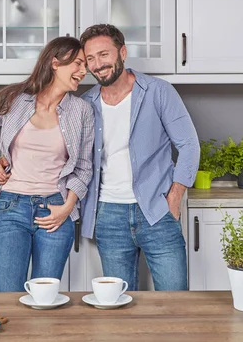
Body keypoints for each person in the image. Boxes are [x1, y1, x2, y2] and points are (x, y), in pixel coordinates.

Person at [79, 24, 200, 291]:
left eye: (104, 54)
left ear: (122, 52)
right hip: (108, 215)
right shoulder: (85, 104)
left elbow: (189, 144)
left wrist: (175, 196)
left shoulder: (158, 91)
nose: (97, 64)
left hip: (157, 210)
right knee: (119, 305)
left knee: (174, 301)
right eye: (90, 58)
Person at [0, 36, 95, 292]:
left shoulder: (82, 111)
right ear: (55, 63)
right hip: (11, 208)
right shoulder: (16, 98)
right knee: (8, 295)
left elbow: (84, 167)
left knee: (44, 297)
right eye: (78, 63)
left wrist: (67, 207)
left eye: (85, 65)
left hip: (55, 209)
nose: (84, 71)